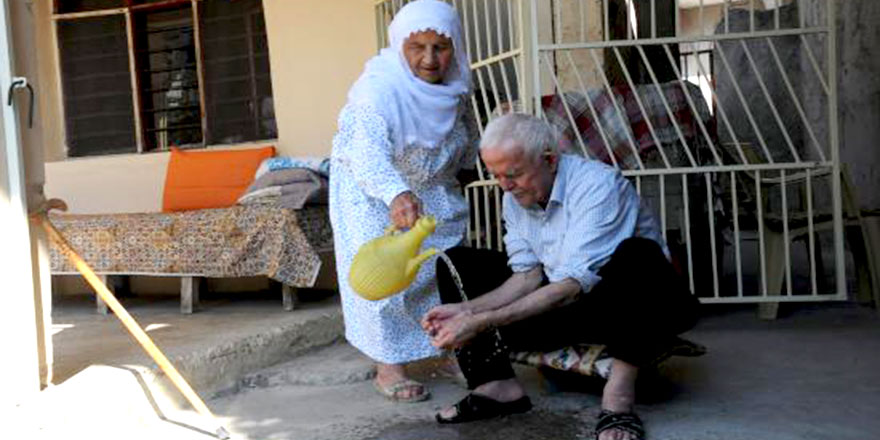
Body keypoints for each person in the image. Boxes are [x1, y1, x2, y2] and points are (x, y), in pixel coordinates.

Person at [422, 113, 700, 439]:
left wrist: (482, 321)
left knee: (638, 254)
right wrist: (466, 311)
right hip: (561, 305)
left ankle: (618, 400)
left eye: (513, 174)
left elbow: (571, 286)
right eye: (496, 175)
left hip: (630, 311)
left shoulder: (598, 185)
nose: (504, 186)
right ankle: (495, 386)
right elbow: (525, 277)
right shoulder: (514, 197)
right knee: (455, 262)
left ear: (550, 160)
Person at [329, 0, 477, 403]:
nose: (430, 59)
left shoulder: (457, 86)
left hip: (431, 184)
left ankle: (448, 348)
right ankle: (388, 366)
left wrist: (470, 164)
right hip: (371, 190)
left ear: (455, 48)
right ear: (399, 46)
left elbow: (466, 135)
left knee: (442, 268)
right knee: (387, 277)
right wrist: (396, 193)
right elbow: (366, 155)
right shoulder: (377, 91)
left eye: (441, 47)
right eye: (418, 47)